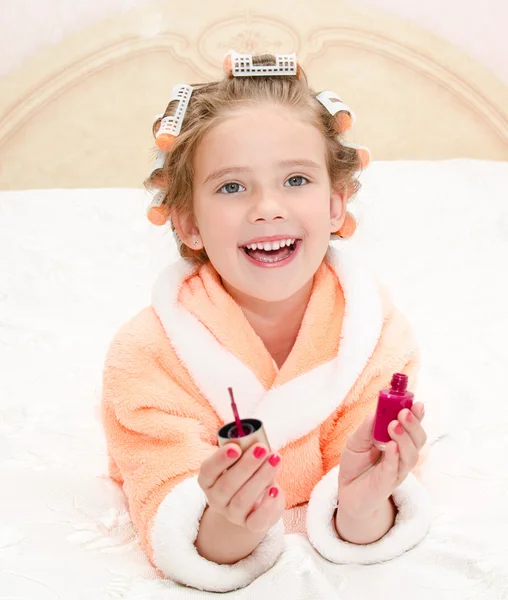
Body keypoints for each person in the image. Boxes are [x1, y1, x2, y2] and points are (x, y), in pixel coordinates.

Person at [101, 50, 430, 593]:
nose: (268, 208)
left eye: (297, 179)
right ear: (188, 224)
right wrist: (230, 518)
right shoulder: (148, 355)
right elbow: (181, 532)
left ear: (335, 204)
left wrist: (365, 501)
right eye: (232, 187)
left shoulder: (374, 336)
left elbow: (362, 518)